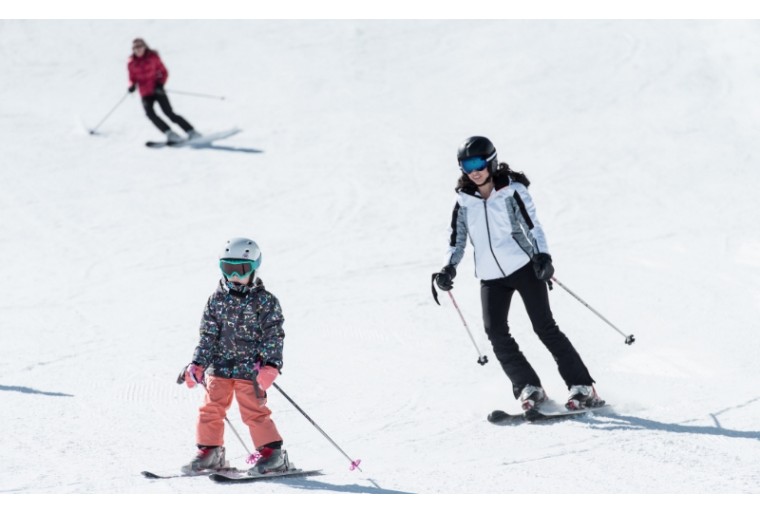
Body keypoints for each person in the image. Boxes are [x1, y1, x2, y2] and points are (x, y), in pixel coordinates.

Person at [433, 136, 603, 412]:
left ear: (491, 161)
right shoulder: (464, 202)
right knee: (496, 333)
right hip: (490, 276)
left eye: (478, 162)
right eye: (466, 165)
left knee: (544, 327)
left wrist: (543, 256)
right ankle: (529, 386)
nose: (473, 170)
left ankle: (582, 386)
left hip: (523, 267)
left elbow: (532, 226)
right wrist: (448, 267)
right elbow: (456, 240)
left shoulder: (511, 192)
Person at [181, 237, 289, 476]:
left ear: (254, 268)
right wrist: (198, 364)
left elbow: (274, 335)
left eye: (241, 270)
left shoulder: (265, 301)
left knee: (253, 412)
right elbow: (207, 336)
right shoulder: (216, 300)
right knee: (210, 409)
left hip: (249, 369)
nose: (234, 276)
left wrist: (270, 365)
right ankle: (210, 451)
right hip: (219, 367)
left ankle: (273, 455)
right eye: (227, 269)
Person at [127, 38, 201, 143]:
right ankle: (170, 134)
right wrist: (131, 86)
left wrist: (160, 84)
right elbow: (132, 78)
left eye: (140, 46)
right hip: (145, 93)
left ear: (144, 46)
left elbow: (164, 72)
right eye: (135, 47)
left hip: (157, 90)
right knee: (150, 114)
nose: (138, 49)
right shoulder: (131, 63)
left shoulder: (153, 57)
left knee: (169, 113)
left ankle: (191, 131)